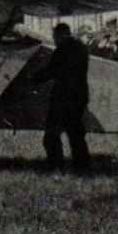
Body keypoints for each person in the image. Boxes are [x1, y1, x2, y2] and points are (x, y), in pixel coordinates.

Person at [35, 22, 93, 172]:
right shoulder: (81, 48)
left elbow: (51, 71)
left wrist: (33, 78)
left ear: (60, 35)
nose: (54, 39)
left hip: (62, 97)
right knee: (76, 135)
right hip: (79, 97)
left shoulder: (61, 50)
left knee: (51, 134)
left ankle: (56, 166)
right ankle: (82, 167)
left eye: (55, 36)